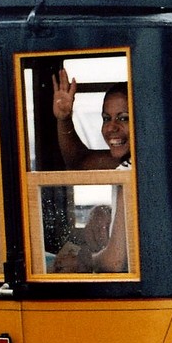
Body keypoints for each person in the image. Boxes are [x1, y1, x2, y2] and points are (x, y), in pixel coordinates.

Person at [49, 70, 131, 272]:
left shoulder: (131, 171)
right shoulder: (129, 162)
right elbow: (79, 162)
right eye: (106, 118)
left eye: (123, 118)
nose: (111, 127)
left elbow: (115, 261)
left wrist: (83, 261)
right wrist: (64, 118)